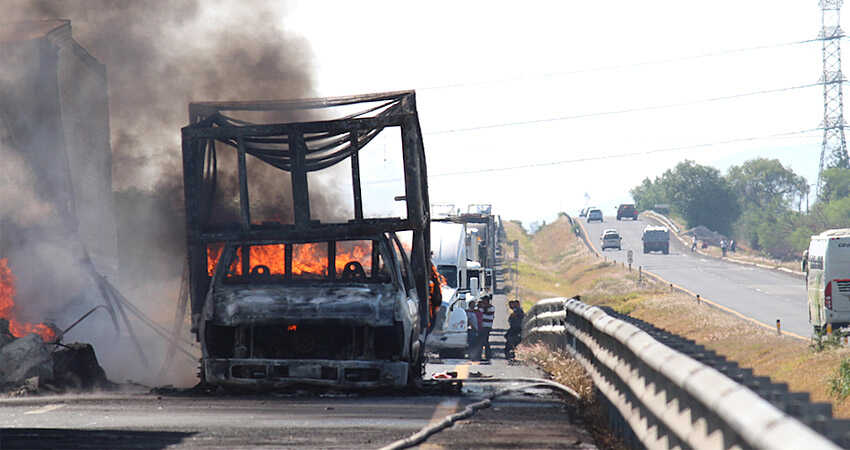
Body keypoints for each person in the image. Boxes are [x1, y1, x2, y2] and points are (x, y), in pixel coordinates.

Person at [478, 295, 495, 360]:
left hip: (487, 326)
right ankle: (482, 355)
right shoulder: (482, 308)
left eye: (483, 300)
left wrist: (482, 307)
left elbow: (485, 312)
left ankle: (488, 355)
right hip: (482, 326)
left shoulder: (491, 308)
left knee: (485, 341)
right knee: (482, 341)